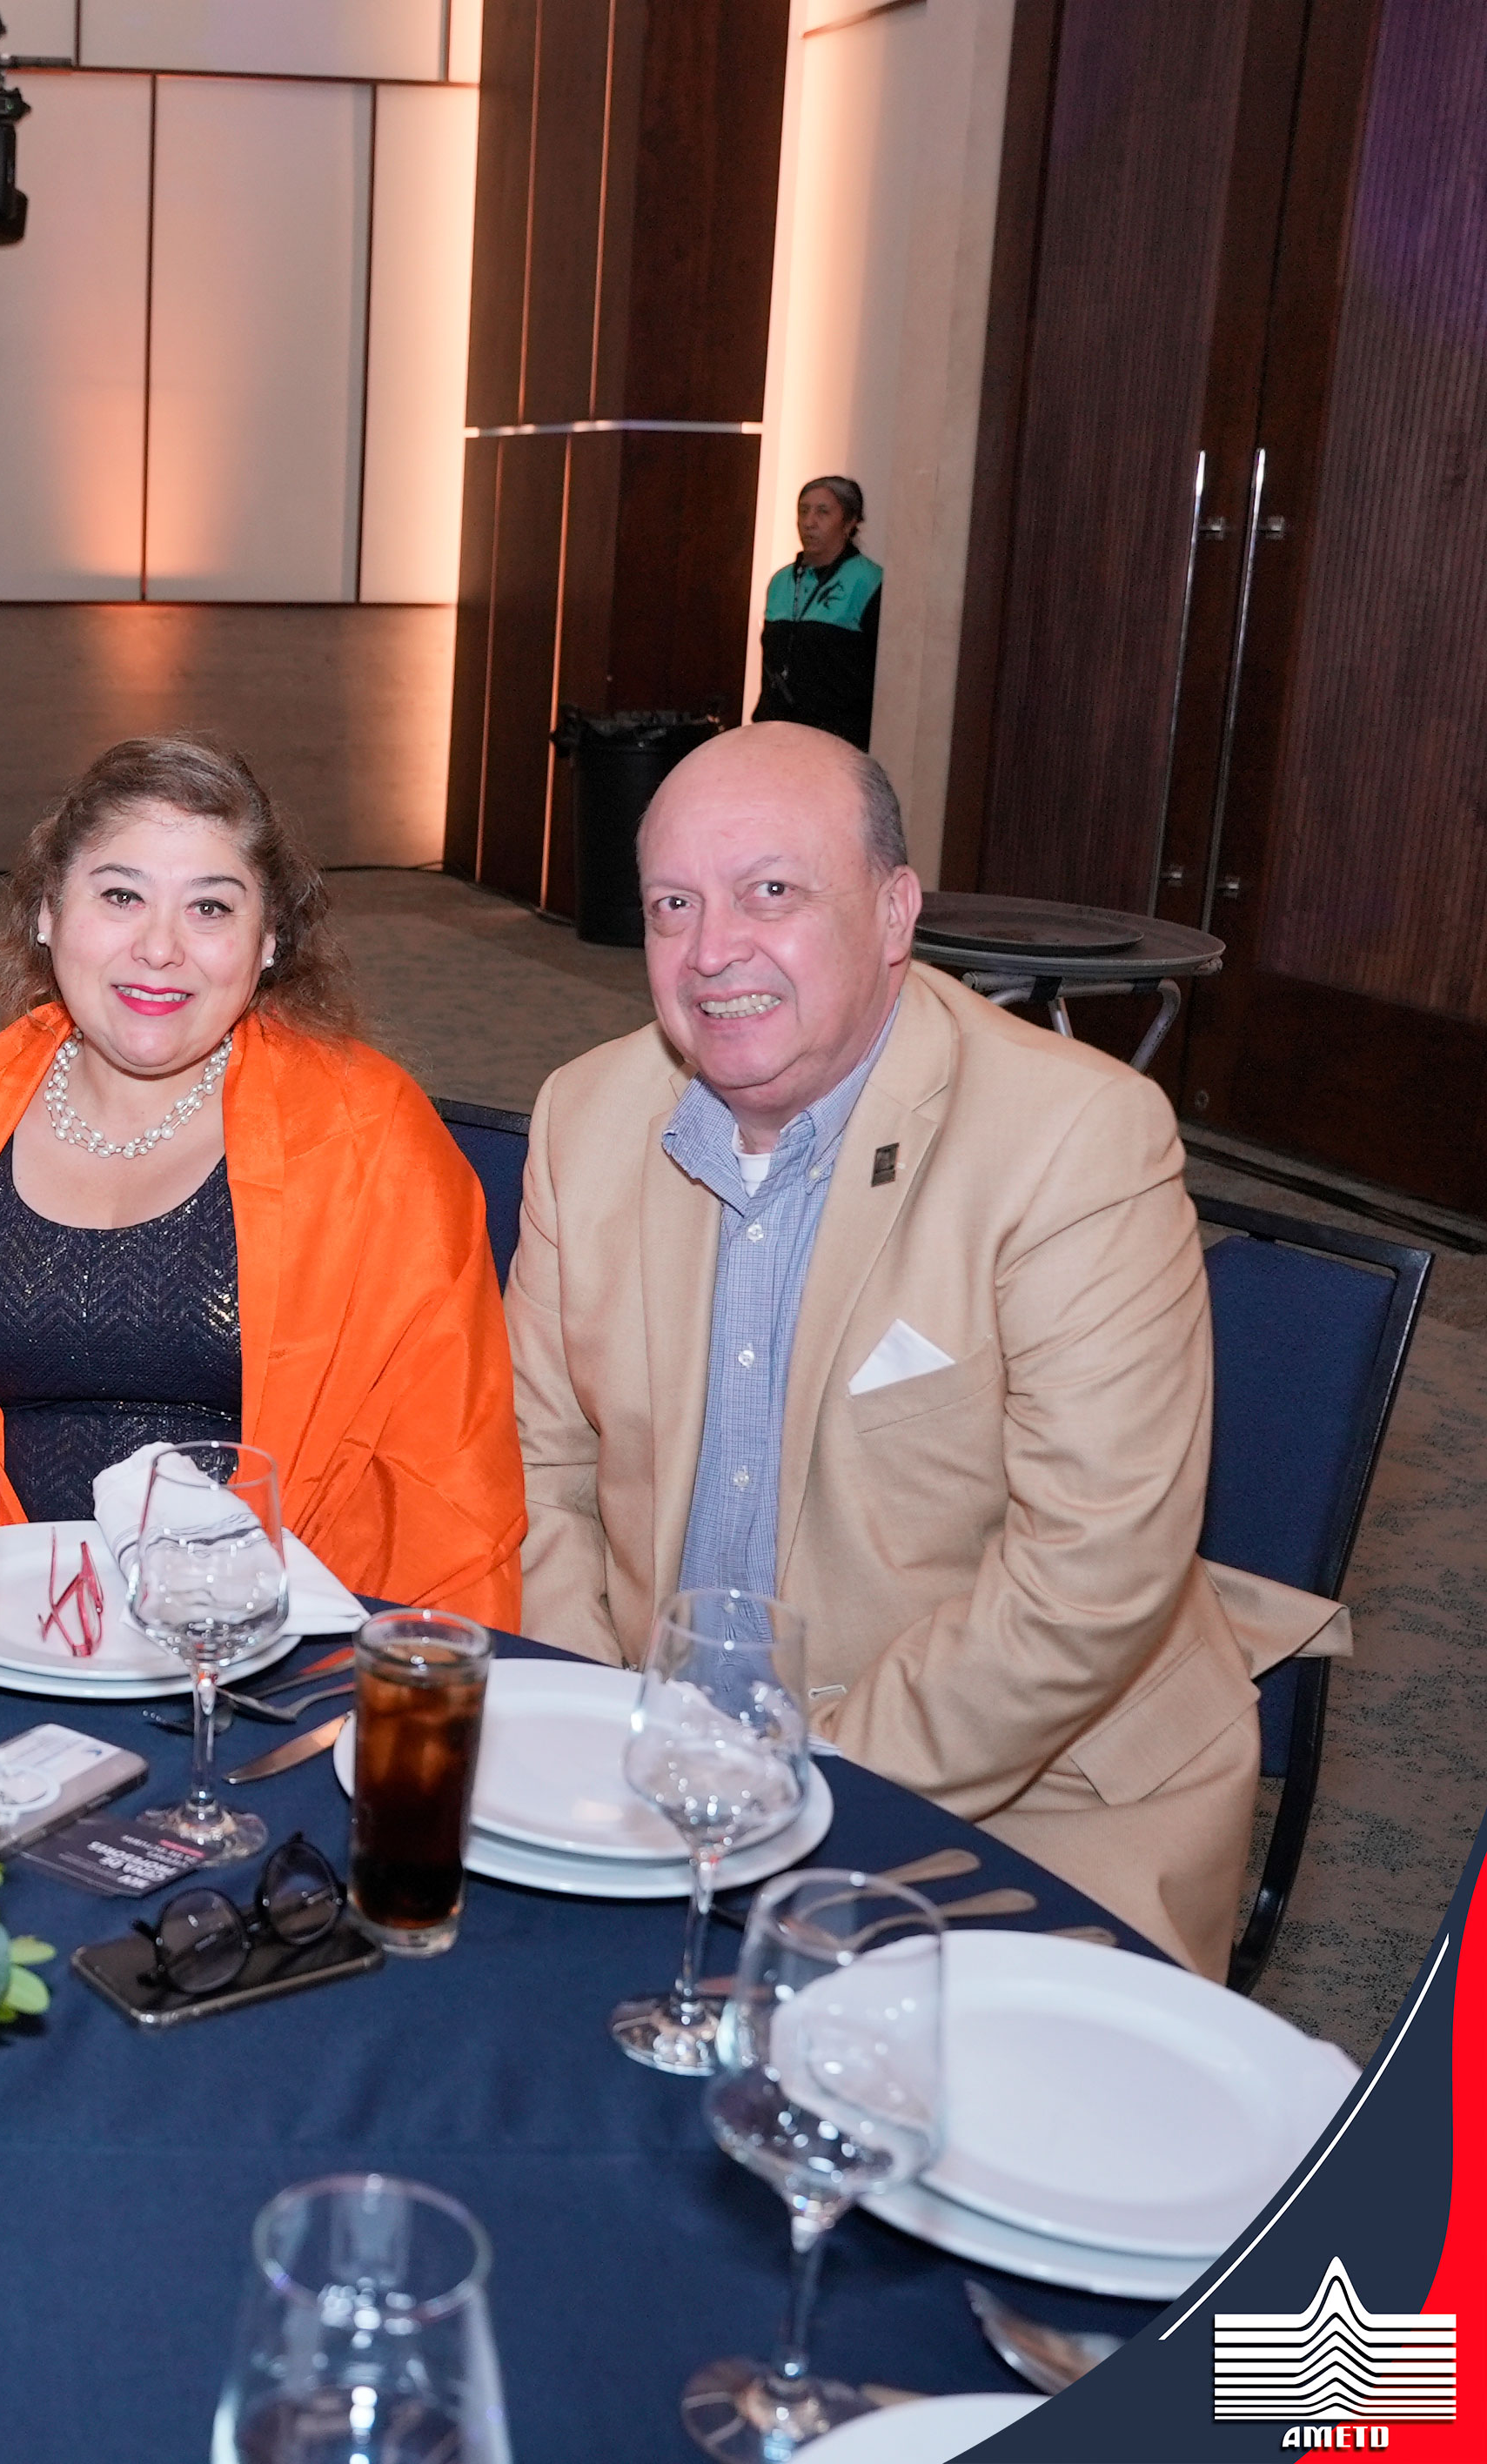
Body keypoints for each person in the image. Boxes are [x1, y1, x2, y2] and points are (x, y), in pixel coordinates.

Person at [504, 722, 1342, 1973]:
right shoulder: (587, 1114)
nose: (712, 949)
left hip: (1032, 1803)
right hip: (657, 1763)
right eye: (673, 904)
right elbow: (538, 1470)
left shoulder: (1074, 1139)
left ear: (894, 912)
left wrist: (796, 1787)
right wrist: (595, 1730)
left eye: (770, 892)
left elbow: (1088, 1574)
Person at [0, 737, 525, 1619]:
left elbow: (433, 1477)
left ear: (267, 941)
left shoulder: (368, 1139)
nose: (159, 948)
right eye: (120, 896)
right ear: (48, 912)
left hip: (267, 1638)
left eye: (209, 907)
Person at [749, 475, 882, 748]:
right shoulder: (780, 581)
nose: (809, 522)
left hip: (838, 739)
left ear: (850, 522)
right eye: (803, 511)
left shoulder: (869, 581)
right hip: (776, 734)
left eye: (823, 512)